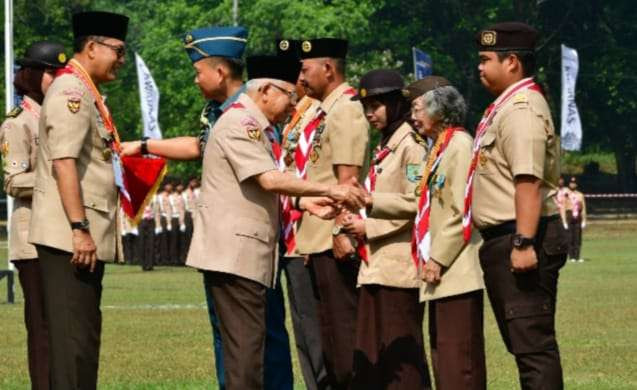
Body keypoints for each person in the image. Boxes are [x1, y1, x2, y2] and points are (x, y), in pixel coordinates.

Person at [120, 27, 296, 390]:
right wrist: (143, 145)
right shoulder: (221, 111)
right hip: (226, 243)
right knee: (230, 338)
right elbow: (200, 145)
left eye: (198, 70)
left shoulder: (247, 115)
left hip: (249, 245)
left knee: (264, 339)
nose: (195, 79)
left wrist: (144, 145)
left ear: (219, 72)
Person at [185, 53, 365, 389]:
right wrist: (331, 188)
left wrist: (304, 200)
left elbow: (257, 184)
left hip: (241, 256)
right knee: (246, 357)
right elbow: (269, 180)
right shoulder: (242, 124)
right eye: (289, 96)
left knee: (252, 351)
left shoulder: (254, 126)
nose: (292, 105)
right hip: (235, 258)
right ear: (266, 90)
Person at [28, 11, 129, 389]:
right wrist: (79, 227)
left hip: (74, 235)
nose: (121, 59)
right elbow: (64, 162)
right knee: (75, 345)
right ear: (91, 47)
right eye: (117, 51)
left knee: (80, 341)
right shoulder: (72, 92)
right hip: (69, 238)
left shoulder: (82, 90)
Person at [465, 22, 568, 389]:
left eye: (485, 59)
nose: (479, 67)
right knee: (523, 343)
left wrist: (524, 243)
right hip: (508, 237)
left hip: (522, 236)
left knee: (533, 348)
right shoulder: (504, 106)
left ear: (512, 62)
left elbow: (528, 179)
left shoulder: (521, 109)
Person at [341, 69, 430, 389]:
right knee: (374, 353)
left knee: (402, 356)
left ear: (396, 104)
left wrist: (368, 224)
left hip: (398, 266)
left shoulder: (412, 146)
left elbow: (418, 203)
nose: (370, 113)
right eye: (366, 107)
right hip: (376, 265)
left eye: (376, 105)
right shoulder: (387, 143)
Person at [295, 38, 370, 390]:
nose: (301, 76)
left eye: (306, 68)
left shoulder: (346, 110)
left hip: (334, 241)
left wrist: (341, 232)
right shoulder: (323, 110)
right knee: (329, 339)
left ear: (328, 68)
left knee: (344, 338)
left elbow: (348, 182)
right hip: (318, 239)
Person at [410, 81, 486, 389]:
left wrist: (438, 259)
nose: (413, 116)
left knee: (460, 363)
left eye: (417, 109)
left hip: (456, 269)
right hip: (441, 273)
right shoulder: (439, 147)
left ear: (439, 110)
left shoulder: (459, 145)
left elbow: (461, 209)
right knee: (444, 359)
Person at [0, 40, 66, 390]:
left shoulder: (59, 116)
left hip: (62, 235)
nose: (58, 79)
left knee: (65, 327)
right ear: (34, 75)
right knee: (41, 327)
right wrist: (60, 177)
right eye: (53, 73)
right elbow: (13, 181)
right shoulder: (18, 122)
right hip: (32, 241)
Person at [276, 38, 330, 390]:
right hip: (290, 234)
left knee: (318, 331)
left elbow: (321, 177)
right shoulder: (293, 119)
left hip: (309, 235)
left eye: (296, 71)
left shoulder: (318, 115)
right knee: (303, 333)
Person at [563, 176, 587, 262]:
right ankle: (571, 256)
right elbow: (563, 207)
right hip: (569, 215)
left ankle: (577, 256)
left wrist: (584, 220)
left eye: (574, 183)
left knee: (577, 237)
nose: (572, 184)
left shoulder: (580, 195)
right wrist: (564, 220)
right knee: (570, 237)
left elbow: (583, 208)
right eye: (571, 183)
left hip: (578, 216)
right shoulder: (566, 194)